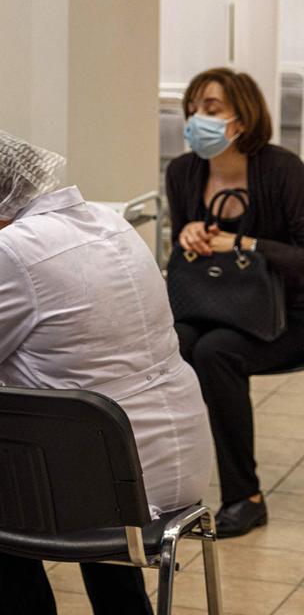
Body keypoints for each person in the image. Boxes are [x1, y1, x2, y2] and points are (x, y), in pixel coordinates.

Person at [0, 125, 211, 615]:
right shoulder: (107, 220)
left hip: (111, 479)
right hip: (169, 455)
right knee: (49, 466)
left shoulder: (11, 250)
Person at [166, 67, 304, 538]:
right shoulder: (183, 172)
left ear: (241, 119)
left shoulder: (283, 170)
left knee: (215, 352)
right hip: (215, 306)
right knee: (174, 344)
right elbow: (185, 260)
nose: (194, 117)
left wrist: (244, 245)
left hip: (289, 315)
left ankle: (245, 497)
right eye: (192, 106)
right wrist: (188, 236)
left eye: (210, 108)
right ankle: (169, 486)